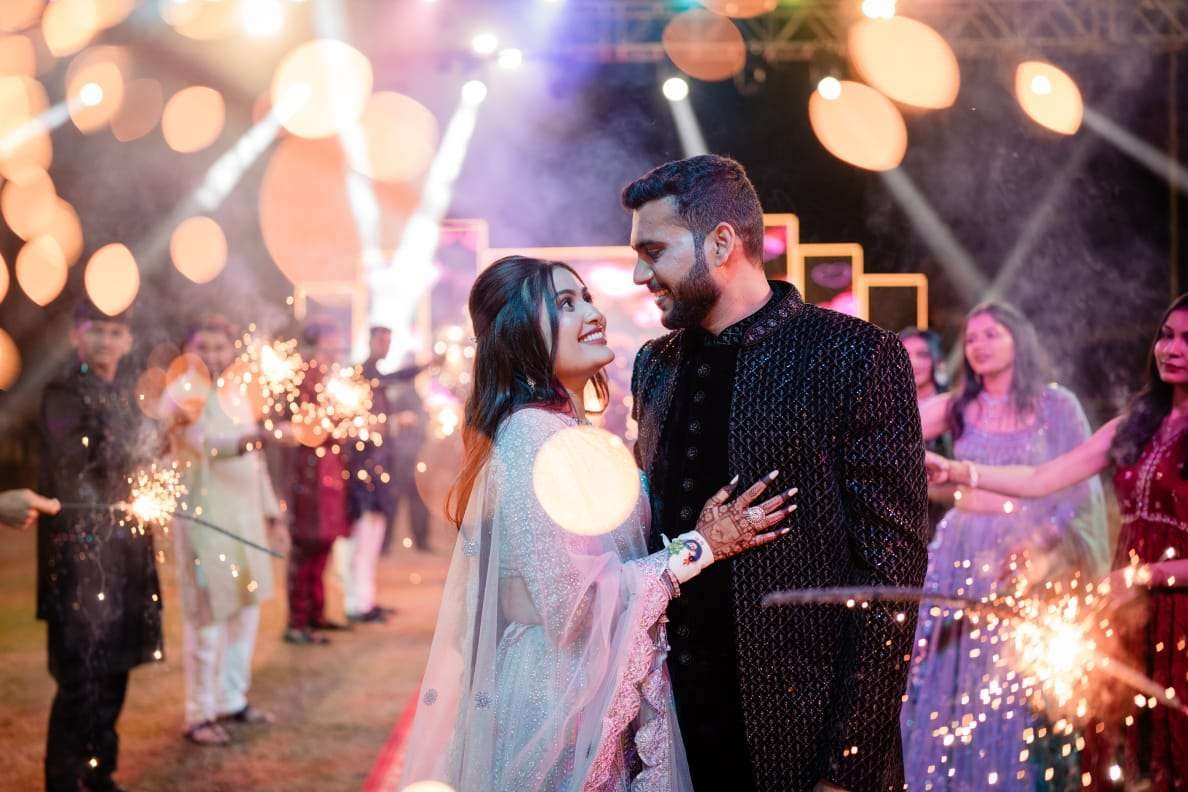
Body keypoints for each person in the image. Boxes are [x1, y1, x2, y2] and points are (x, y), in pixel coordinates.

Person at [399, 255, 795, 791]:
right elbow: (575, 605)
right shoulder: (532, 436)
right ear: (519, 335)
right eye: (566, 304)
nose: (593, 313)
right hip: (557, 701)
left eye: (585, 297)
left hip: (584, 683)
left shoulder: (564, 429)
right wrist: (700, 547)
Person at [624, 155, 929, 792]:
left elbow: (893, 577)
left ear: (722, 243)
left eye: (654, 251)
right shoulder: (654, 365)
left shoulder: (853, 353)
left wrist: (846, 765)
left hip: (803, 737)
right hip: (675, 733)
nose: (639, 274)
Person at [925, 293, 1188, 791]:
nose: (1172, 349)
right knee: (1123, 750)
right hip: (1131, 608)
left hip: (1177, 606)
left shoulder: (1055, 404)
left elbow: (1069, 501)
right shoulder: (1135, 424)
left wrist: (1146, 574)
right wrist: (958, 470)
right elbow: (1042, 479)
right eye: (1167, 335)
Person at [902, 301, 1109, 790]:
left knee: (1012, 679)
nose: (979, 345)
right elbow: (884, 429)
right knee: (947, 669)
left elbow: (1076, 487)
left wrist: (1038, 543)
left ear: (1019, 339)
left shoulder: (1055, 404)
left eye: (992, 334)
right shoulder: (957, 405)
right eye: (972, 337)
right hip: (961, 550)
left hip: (1029, 557)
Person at [38, 300, 163, 792]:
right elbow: (69, 464)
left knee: (115, 670)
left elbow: (142, 460)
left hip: (126, 554)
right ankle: (64, 780)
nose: (106, 341)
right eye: (97, 331)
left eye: (116, 332)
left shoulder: (129, 396)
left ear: (128, 341)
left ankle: (100, 772)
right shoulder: (62, 393)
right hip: (81, 556)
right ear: (77, 336)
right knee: (80, 677)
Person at [169, 315, 290, 744]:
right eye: (204, 348)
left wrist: (272, 514)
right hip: (205, 523)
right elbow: (206, 445)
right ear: (189, 351)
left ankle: (231, 699)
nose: (213, 356)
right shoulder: (182, 394)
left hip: (246, 520)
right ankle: (199, 714)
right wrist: (259, 437)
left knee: (246, 613)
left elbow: (255, 464)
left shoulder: (239, 393)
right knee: (208, 619)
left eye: (220, 347)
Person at [283, 323, 351, 644]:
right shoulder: (298, 385)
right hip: (308, 479)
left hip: (329, 476)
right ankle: (298, 621)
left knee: (323, 545)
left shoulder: (329, 386)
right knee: (307, 546)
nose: (332, 356)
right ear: (309, 351)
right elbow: (301, 429)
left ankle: (316, 614)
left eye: (337, 350)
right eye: (327, 349)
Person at [345, 326, 397, 623]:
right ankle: (357, 604)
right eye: (381, 341)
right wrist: (372, 426)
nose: (385, 346)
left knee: (373, 537)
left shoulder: (376, 376)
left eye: (388, 341)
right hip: (362, 472)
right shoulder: (361, 376)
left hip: (379, 470)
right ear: (370, 341)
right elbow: (350, 425)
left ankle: (366, 600)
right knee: (362, 541)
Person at [900, 327, 955, 536]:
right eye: (905, 354)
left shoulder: (952, 407)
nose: (913, 362)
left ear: (936, 360)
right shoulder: (882, 408)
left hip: (945, 515)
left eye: (922, 354)